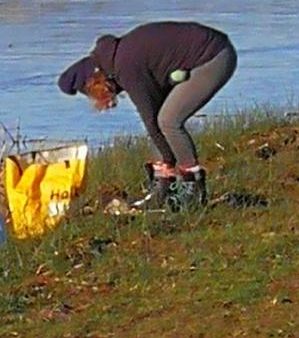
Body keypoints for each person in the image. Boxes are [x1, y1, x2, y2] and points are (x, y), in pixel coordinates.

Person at [58, 21, 237, 207]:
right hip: (208, 51)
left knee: (169, 121)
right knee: (164, 120)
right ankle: (164, 188)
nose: (100, 99)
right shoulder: (117, 58)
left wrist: (167, 161)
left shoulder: (126, 67)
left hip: (214, 57)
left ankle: (192, 189)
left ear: (96, 79)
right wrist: (164, 165)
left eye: (95, 92)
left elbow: (151, 119)